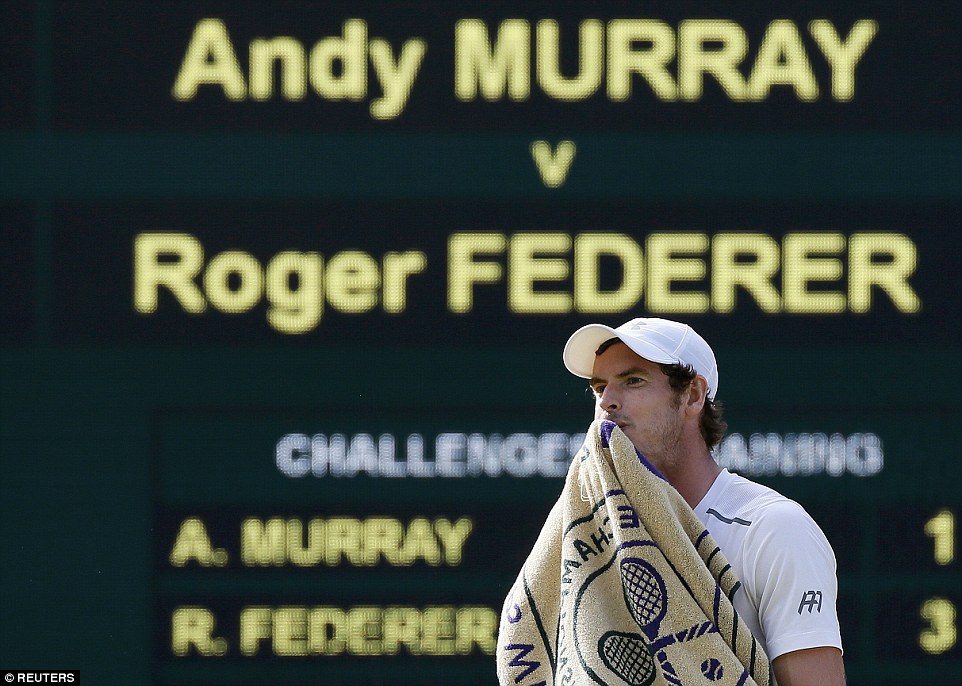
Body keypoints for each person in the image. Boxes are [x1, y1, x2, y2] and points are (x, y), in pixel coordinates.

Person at [562, 316, 845, 686]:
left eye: (633, 381)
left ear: (693, 395)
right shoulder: (589, 539)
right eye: (599, 388)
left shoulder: (773, 529)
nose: (607, 402)